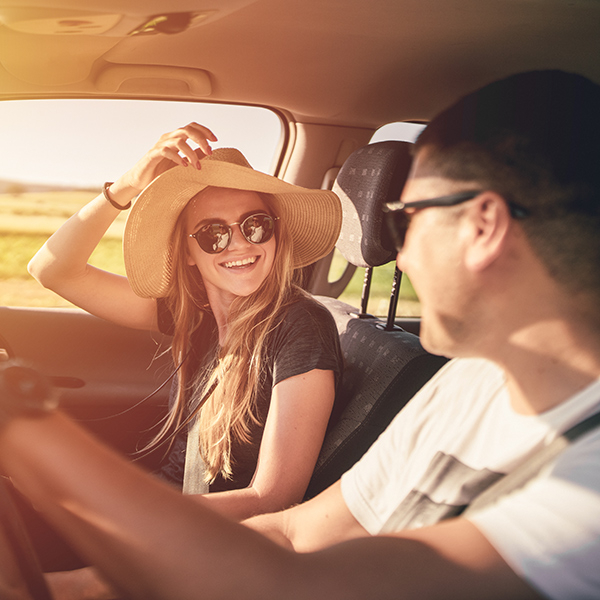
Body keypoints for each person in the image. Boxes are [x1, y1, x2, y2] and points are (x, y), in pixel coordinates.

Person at [1, 68, 599, 600]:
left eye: (408, 221)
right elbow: (291, 537)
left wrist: (22, 420)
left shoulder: (585, 493)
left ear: (484, 225)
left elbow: (286, 556)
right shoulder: (468, 387)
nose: (401, 260)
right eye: (211, 235)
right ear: (187, 253)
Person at [25, 124, 344, 592]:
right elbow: (51, 269)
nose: (239, 243)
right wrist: (126, 188)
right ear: (189, 252)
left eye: (256, 224)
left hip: (189, 541)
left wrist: (119, 509)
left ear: (276, 233)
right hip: (157, 517)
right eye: (213, 234)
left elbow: (274, 496)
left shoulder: (301, 326)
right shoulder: (194, 317)